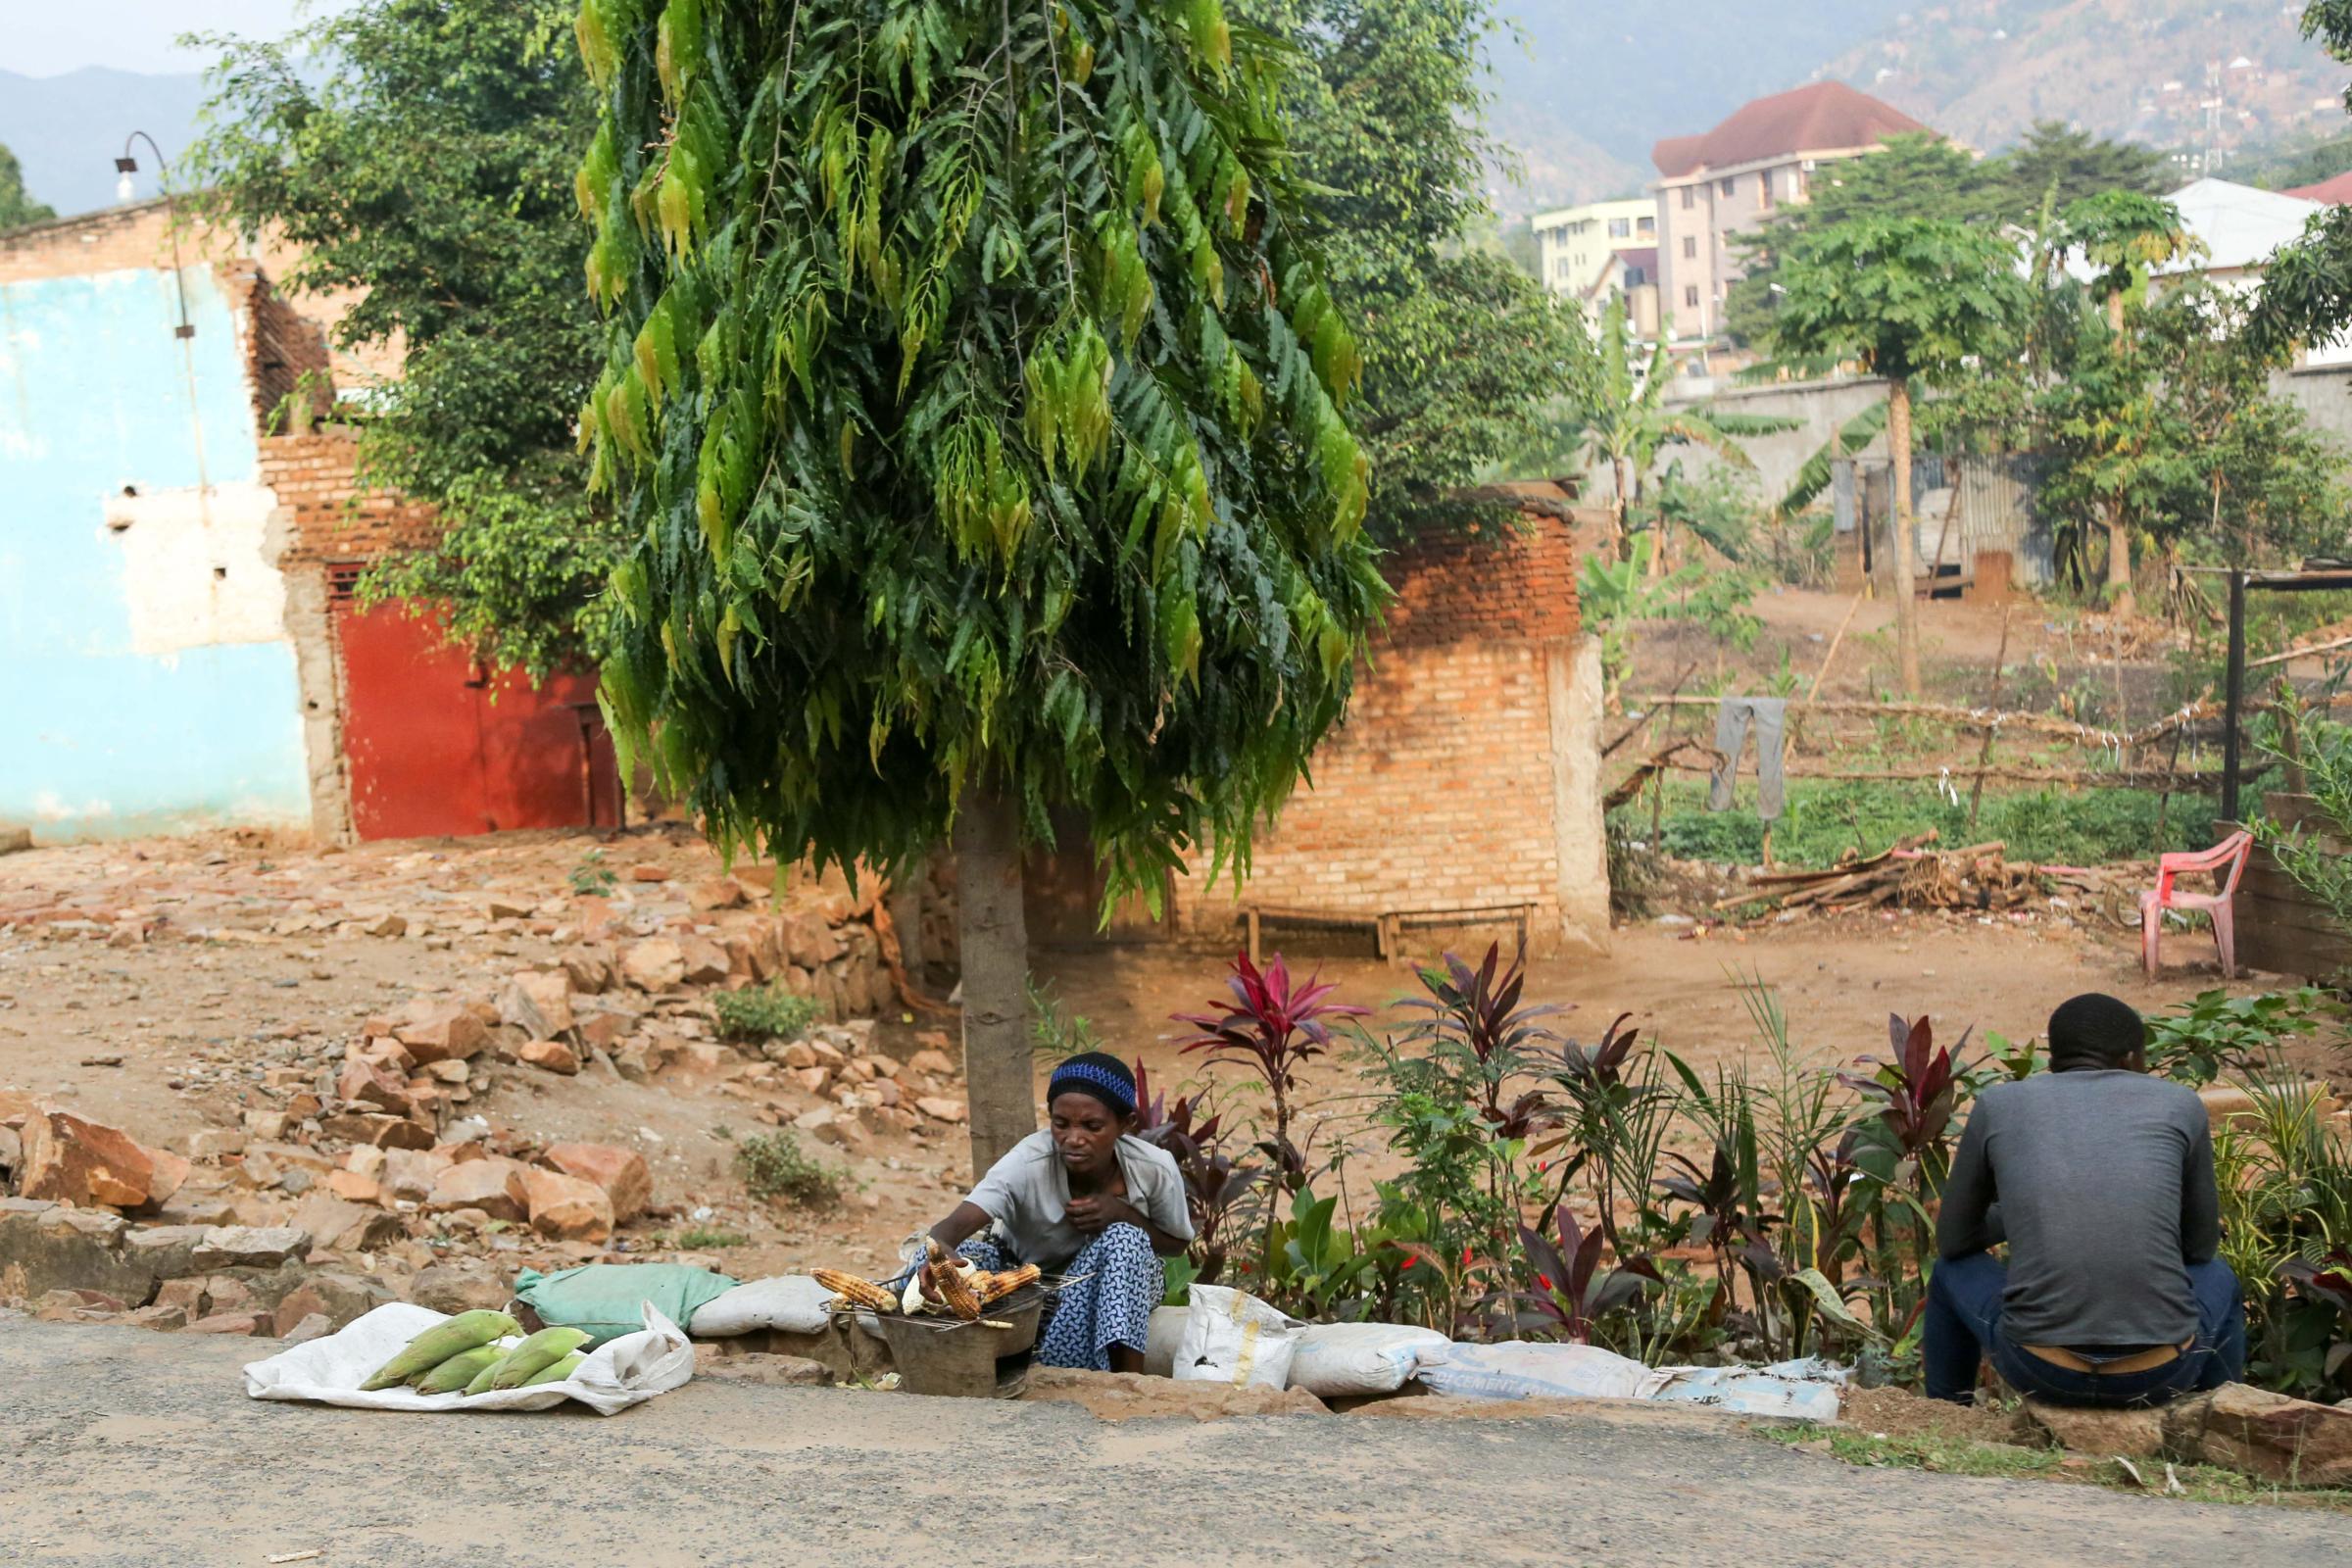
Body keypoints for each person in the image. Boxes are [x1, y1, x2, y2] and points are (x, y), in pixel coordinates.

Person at [1926, 992, 2244, 1407]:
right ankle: (2217, 1420)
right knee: (2220, 1276)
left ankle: (1947, 1414)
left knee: (1950, 1271)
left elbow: (1952, 1241)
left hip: (2041, 1369)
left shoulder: (1999, 1106)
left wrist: (2026, 1210)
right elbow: (2201, 1248)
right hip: (2161, 1372)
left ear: (2052, 1060)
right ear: (2132, 1058)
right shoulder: (2179, 1104)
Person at [909, 1052, 1193, 1372]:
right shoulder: (1028, 1161)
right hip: (1027, 1279)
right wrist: (941, 1259)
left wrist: (1121, 1214)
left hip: (1118, 1281)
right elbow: (949, 1229)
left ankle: (1129, 1382)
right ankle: (948, 1365)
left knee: (1124, 1240)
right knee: (930, 1255)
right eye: (1061, 1124)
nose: (1073, 1139)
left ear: (1125, 1124)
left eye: (1092, 1126)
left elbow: (1176, 1244)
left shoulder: (1153, 1168)